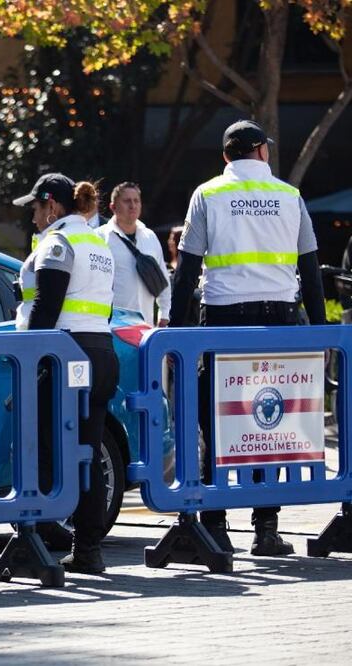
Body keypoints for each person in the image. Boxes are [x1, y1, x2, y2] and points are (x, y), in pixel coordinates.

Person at [169, 119, 326, 556]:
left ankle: (215, 527)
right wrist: (322, 330)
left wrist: (175, 334)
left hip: (224, 318)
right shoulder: (288, 196)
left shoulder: (209, 194)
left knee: (218, 418)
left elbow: (186, 271)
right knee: (267, 419)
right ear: (261, 151)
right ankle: (266, 529)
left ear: (226, 156)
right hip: (280, 320)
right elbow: (310, 270)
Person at [13, 173, 119, 574]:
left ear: (52, 205)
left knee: (42, 449)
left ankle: (34, 544)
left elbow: (46, 308)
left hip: (62, 357)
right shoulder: (97, 241)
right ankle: (88, 550)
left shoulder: (58, 242)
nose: (33, 219)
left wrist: (29, 358)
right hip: (100, 353)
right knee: (86, 455)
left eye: (35, 210)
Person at [96, 182, 171, 326]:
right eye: (127, 201)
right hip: (111, 326)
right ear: (113, 207)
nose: (133, 205)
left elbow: (164, 281)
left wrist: (164, 313)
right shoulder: (100, 237)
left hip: (145, 326)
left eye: (136, 201)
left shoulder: (150, 236)